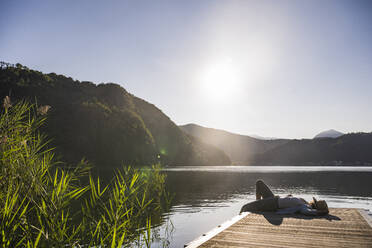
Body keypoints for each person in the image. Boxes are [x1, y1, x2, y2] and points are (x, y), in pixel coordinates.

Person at [240, 180, 329, 216]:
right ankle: (259, 203)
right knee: (259, 183)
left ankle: (260, 205)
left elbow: (308, 213)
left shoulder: (305, 207)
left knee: (245, 207)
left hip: (273, 204)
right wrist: (288, 196)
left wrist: (322, 212)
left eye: (316, 202)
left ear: (315, 205)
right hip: (274, 198)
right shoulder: (304, 202)